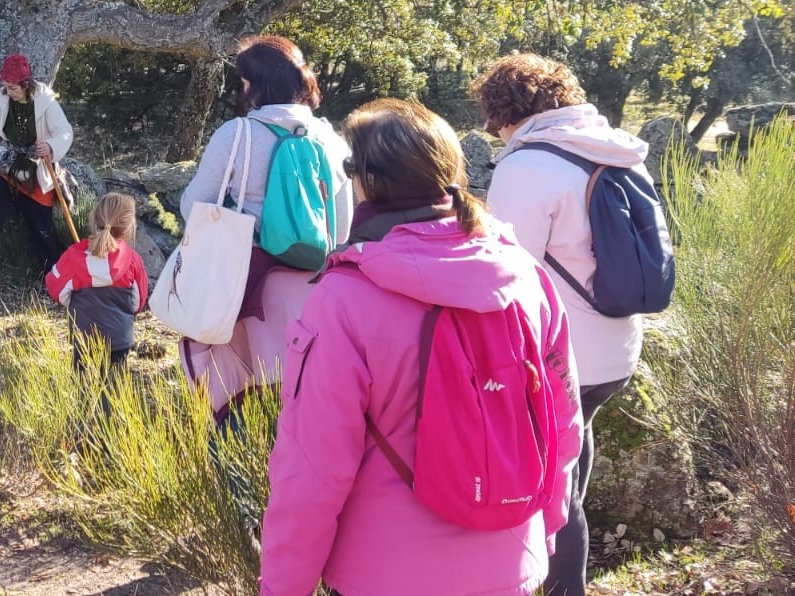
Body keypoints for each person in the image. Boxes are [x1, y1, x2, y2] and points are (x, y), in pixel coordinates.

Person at [259, 98, 583, 596]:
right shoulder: (526, 276)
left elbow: (313, 471)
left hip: (384, 573)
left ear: (365, 180)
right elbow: (562, 421)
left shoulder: (344, 298)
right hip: (509, 559)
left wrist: (284, 586)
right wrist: (545, 529)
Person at [472, 53, 651, 596]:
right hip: (616, 346)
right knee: (573, 462)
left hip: (561, 357)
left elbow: (505, 272)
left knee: (555, 493)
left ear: (502, 108)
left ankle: (559, 588)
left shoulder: (527, 166)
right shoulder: (617, 153)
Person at [178, 35, 353, 425]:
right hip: (319, 293)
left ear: (255, 85)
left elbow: (194, 206)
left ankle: (235, 481)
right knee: (304, 403)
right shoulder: (330, 138)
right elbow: (343, 223)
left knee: (240, 402)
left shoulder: (237, 135)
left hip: (250, 287)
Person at [0, 53, 73, 269]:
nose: (9, 92)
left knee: (40, 221)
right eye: (6, 87)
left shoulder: (45, 102)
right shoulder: (0, 100)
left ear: (26, 84)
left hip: (38, 165)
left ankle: (53, 269)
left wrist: (51, 146)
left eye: (13, 88)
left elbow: (64, 132)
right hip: (8, 160)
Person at [44, 192, 149, 370]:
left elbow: (55, 289)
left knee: (84, 390)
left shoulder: (74, 256)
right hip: (119, 339)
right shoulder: (132, 260)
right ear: (129, 226)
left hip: (84, 338)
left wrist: (76, 302)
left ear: (93, 219)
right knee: (114, 389)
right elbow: (139, 302)